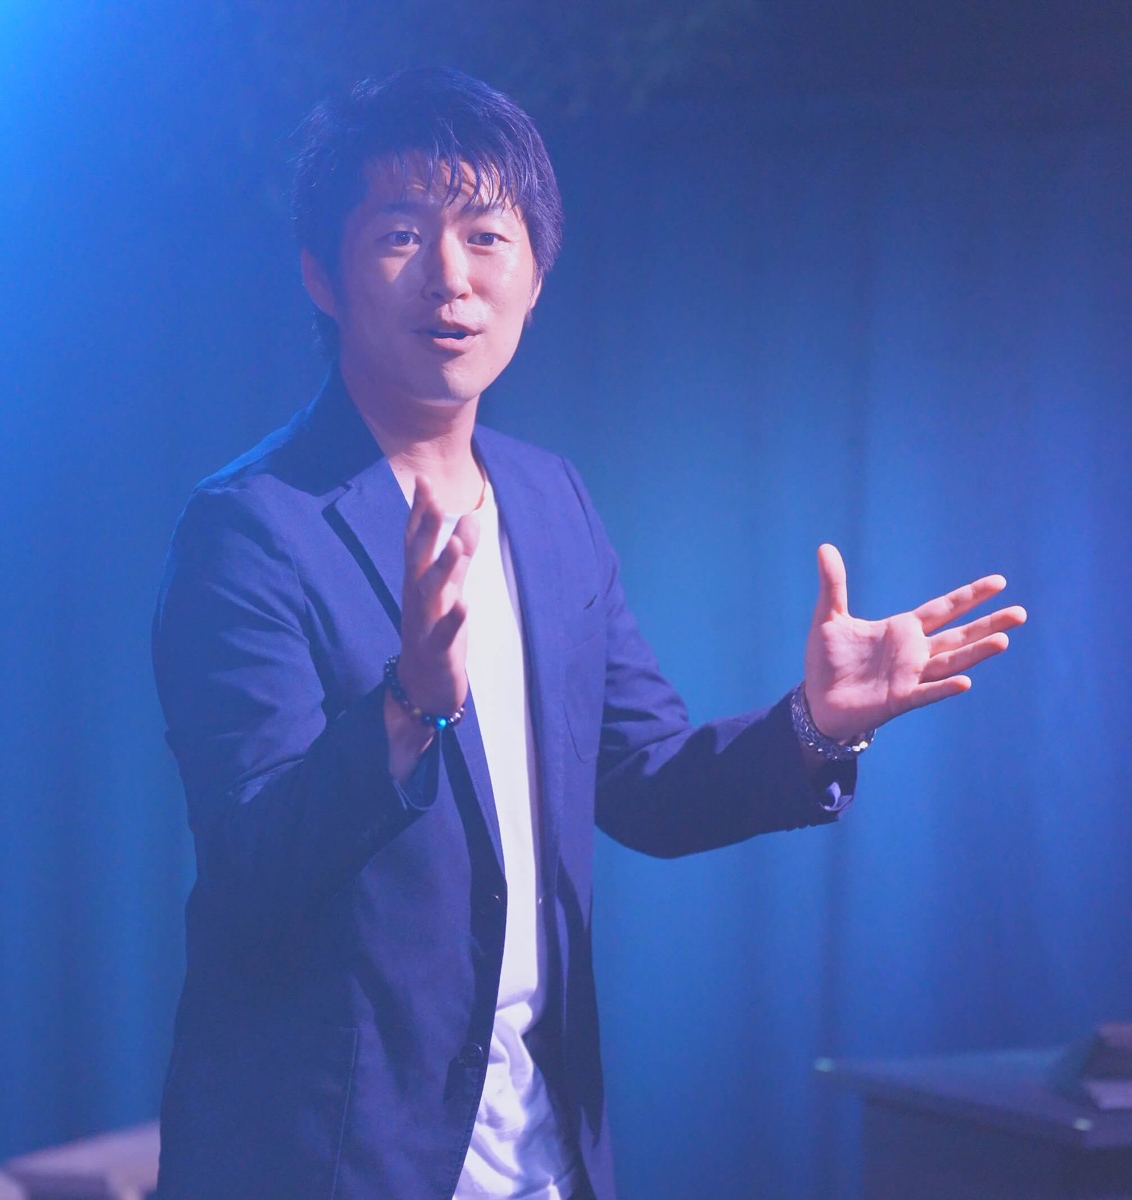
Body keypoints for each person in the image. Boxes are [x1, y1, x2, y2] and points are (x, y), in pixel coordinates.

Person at [151, 67, 1025, 1200]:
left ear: (535, 277)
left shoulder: (548, 498)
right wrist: (408, 708)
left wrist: (817, 723)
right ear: (322, 274)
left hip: (546, 1151)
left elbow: (644, 780)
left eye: (487, 236)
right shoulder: (251, 529)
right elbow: (252, 867)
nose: (452, 277)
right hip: (334, 1162)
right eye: (402, 235)